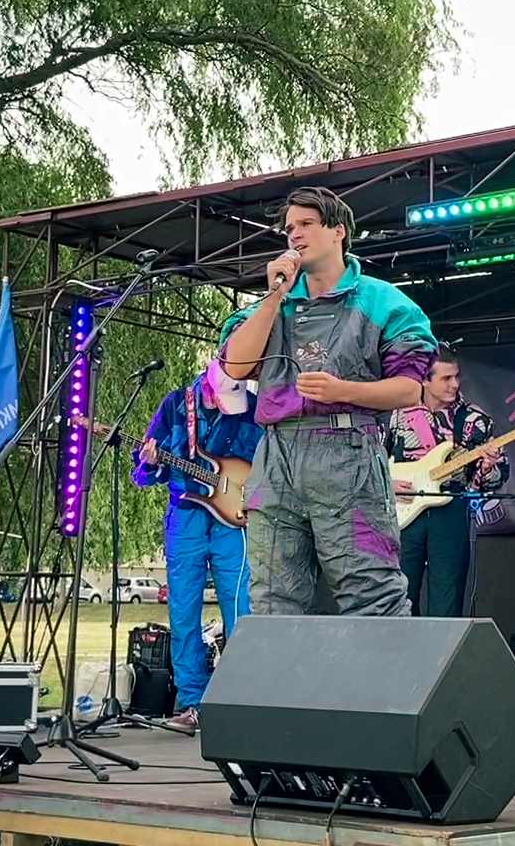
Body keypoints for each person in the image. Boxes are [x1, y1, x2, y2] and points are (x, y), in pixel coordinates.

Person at [218, 187, 436, 616]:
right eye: (289, 229)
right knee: (271, 598)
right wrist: (274, 295)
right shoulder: (271, 305)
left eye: (306, 224)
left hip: (347, 450)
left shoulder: (382, 301)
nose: (295, 235)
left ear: (338, 231)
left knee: (371, 593)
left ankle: (384, 664)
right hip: (276, 454)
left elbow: (409, 389)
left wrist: (343, 391)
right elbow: (236, 366)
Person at [133, 357, 263, 730]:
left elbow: (268, 462)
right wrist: (151, 462)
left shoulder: (250, 406)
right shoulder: (175, 404)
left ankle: (242, 702)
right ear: (209, 380)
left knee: (241, 610)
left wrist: (251, 490)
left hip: (233, 521)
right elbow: (142, 473)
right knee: (183, 613)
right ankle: (193, 705)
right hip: (185, 515)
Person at [386, 344, 508, 616]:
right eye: (446, 378)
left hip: (451, 513)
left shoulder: (475, 419)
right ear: (424, 380)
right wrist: (386, 484)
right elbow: (371, 461)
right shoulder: (395, 415)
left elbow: (499, 477)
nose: (454, 384)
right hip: (403, 514)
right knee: (399, 599)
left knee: (447, 603)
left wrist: (488, 468)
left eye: (456, 377)